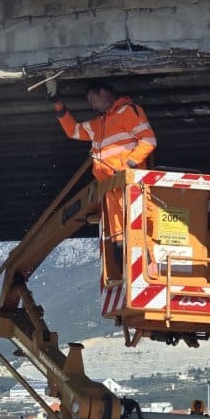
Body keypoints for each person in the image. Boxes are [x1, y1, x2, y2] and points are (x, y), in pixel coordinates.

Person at [47, 79, 157, 276]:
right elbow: (73, 131)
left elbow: (148, 140)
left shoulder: (128, 111)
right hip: (110, 187)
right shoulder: (99, 124)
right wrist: (58, 105)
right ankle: (127, 277)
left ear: (105, 93)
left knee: (138, 229)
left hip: (129, 184)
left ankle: (149, 273)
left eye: (93, 100)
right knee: (118, 235)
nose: (92, 105)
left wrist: (128, 165)